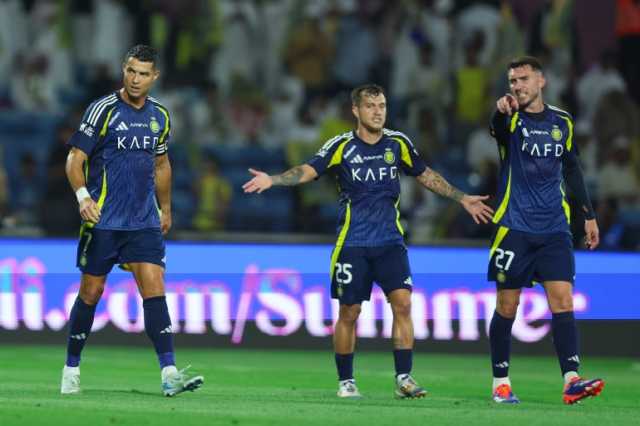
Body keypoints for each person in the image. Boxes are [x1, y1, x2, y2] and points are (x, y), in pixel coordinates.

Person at [243, 84, 494, 399]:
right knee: (349, 312)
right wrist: (274, 179)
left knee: (403, 304)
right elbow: (308, 170)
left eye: (383, 105)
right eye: (371, 106)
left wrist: (461, 198)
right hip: (353, 243)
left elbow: (425, 174)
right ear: (356, 110)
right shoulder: (341, 146)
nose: (378, 112)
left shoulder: (398, 143)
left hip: (391, 242)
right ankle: (346, 381)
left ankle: (404, 378)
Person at [61, 45, 203, 397]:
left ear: (155, 77)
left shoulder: (160, 117)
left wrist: (165, 208)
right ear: (123, 70)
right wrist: (83, 198)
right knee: (90, 293)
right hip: (104, 220)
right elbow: (74, 159)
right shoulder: (102, 110)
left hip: (143, 221)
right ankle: (71, 368)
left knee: (155, 289)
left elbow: (161, 165)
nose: (135, 79)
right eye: (131, 71)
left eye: (143, 73)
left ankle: (169, 373)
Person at [487, 56, 604, 405]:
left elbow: (572, 171)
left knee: (563, 301)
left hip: (554, 228)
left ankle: (571, 380)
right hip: (514, 228)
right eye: (512, 81)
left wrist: (588, 215)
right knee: (507, 306)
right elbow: (496, 127)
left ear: (542, 81)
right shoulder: (511, 119)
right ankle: (501, 383)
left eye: (522, 79)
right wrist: (499, 111)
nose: (516, 86)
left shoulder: (562, 122)